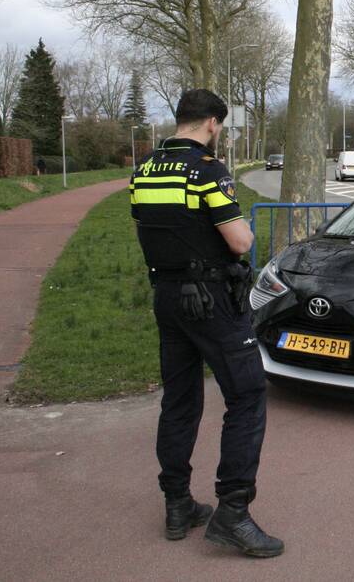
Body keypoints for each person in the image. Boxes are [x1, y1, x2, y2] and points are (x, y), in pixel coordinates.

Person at [129, 88, 283, 558]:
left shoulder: (143, 172)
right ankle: (233, 512)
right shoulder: (207, 171)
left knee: (179, 399)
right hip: (212, 300)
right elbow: (238, 241)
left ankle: (177, 504)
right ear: (213, 124)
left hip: (169, 298)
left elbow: (149, 228)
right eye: (221, 126)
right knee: (248, 394)